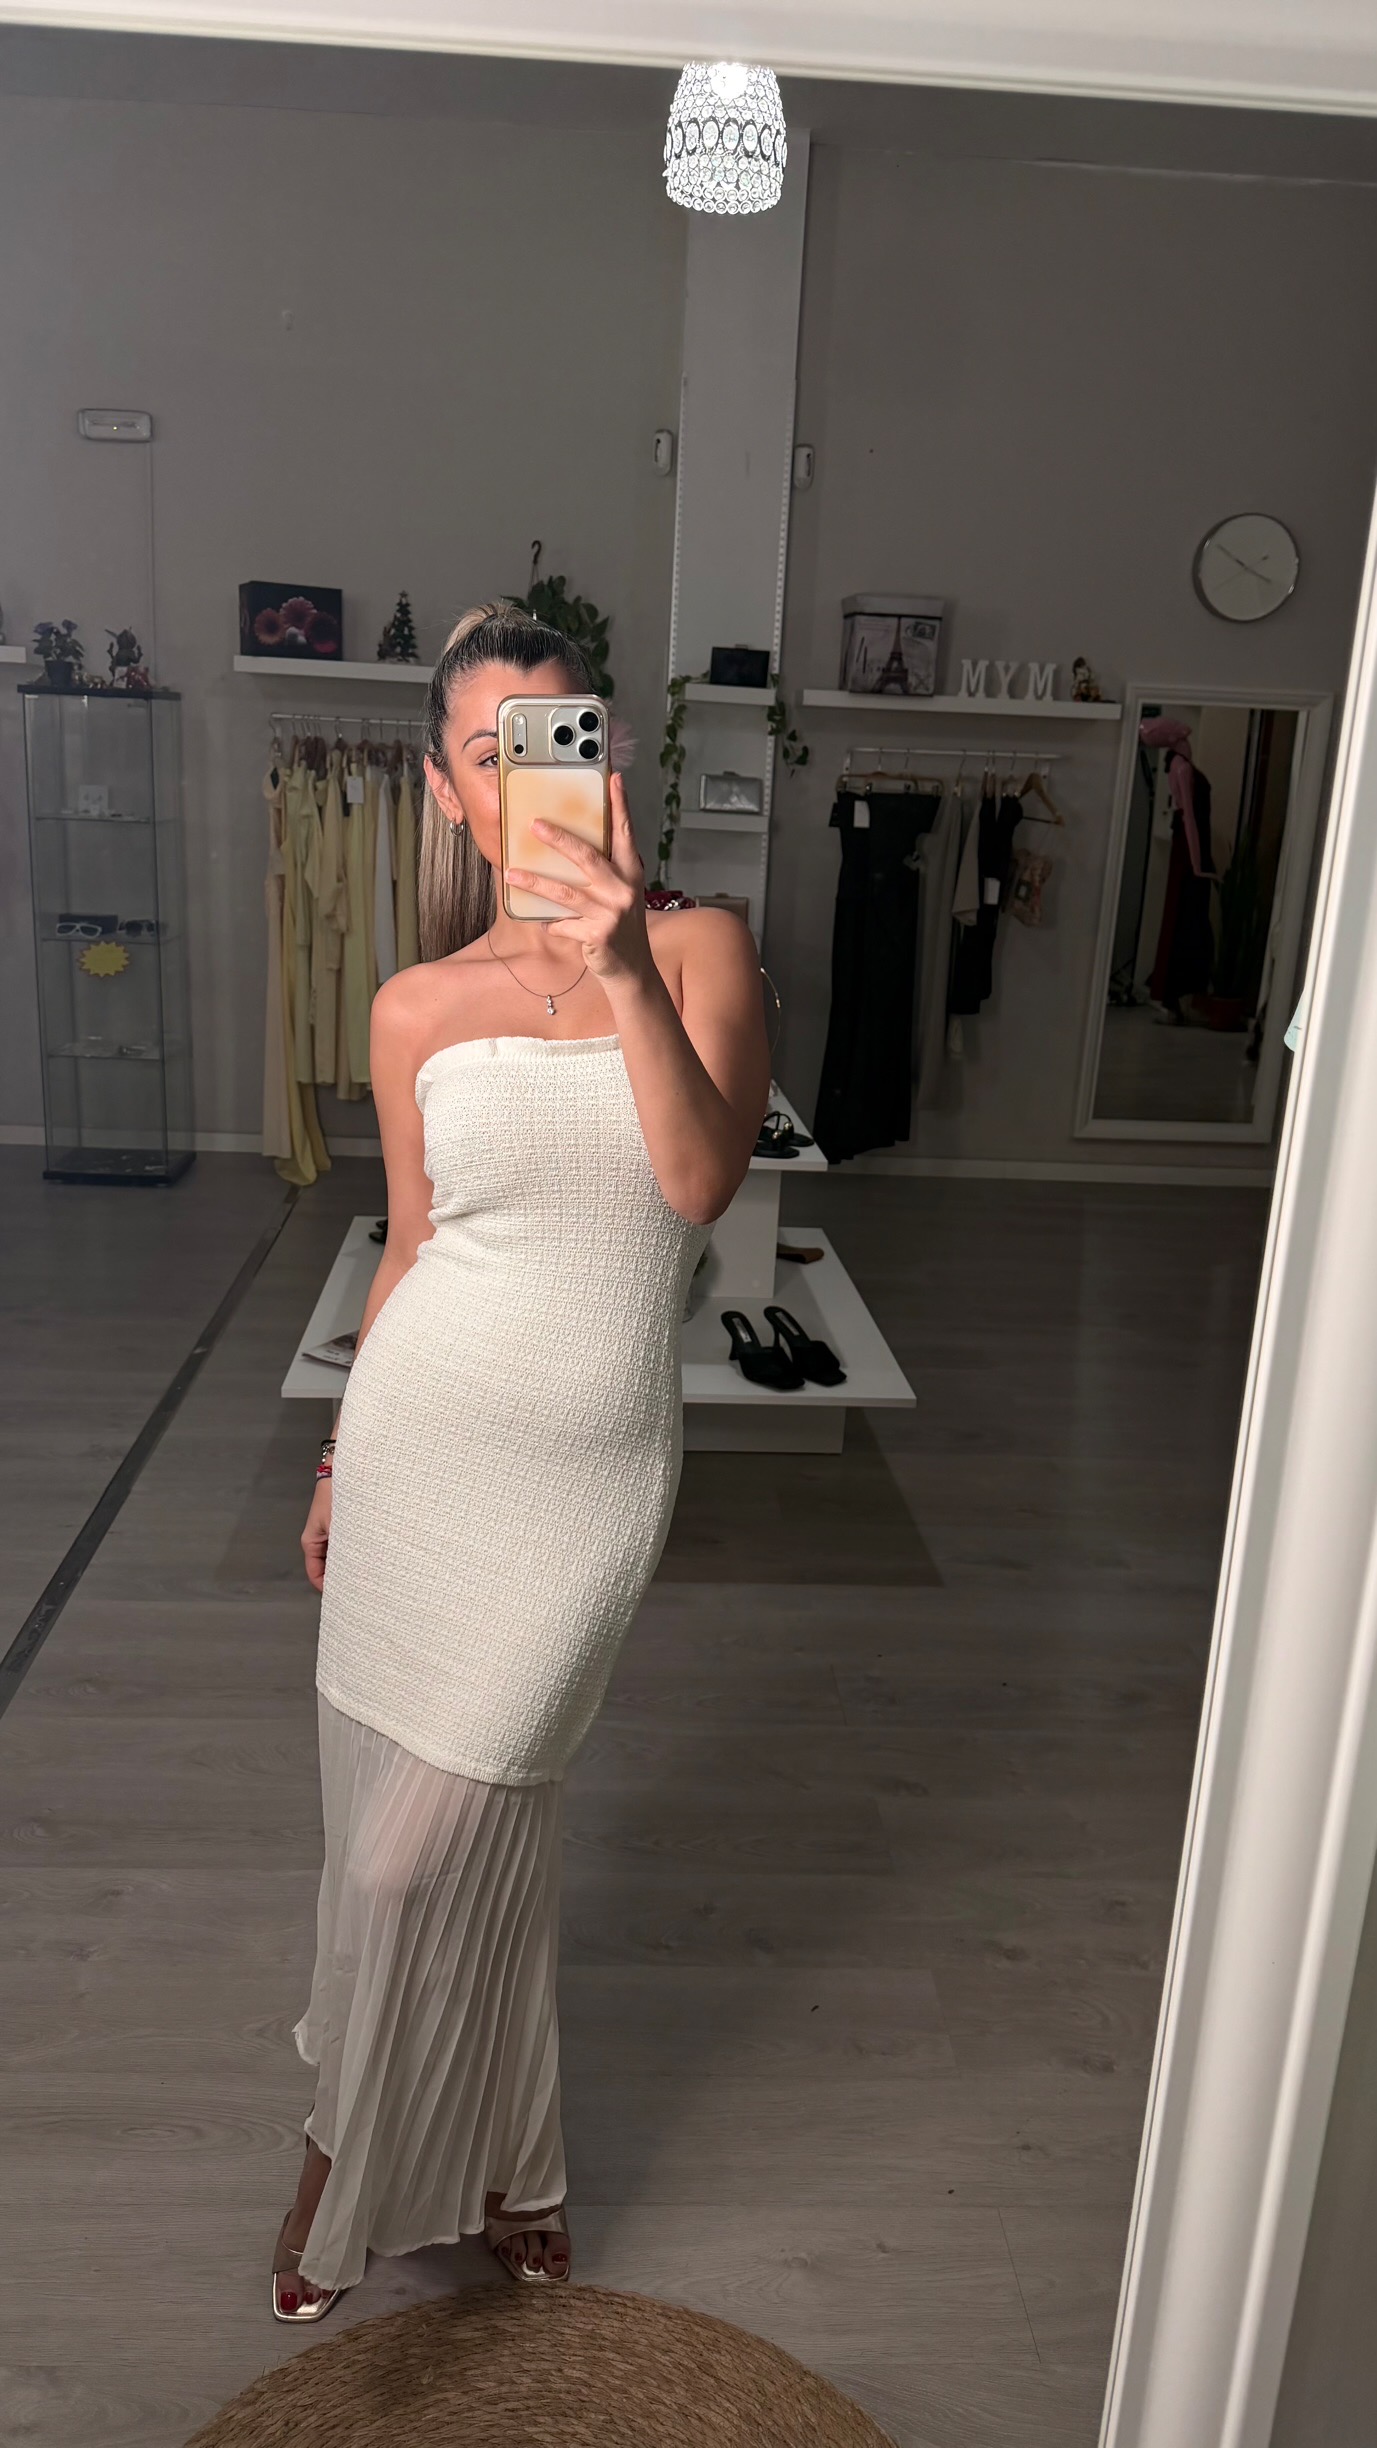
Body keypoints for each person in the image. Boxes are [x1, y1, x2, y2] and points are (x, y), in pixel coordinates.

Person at [272, 603, 770, 2320]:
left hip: (585, 1486)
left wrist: (620, 962)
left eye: (560, 739)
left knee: (423, 1857)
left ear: (605, 759)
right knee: (416, 1852)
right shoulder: (416, 1006)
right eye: (491, 752)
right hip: (418, 1452)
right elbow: (408, 1248)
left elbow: (700, 1188)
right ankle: (503, 2169)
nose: (525, 776)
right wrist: (336, 1456)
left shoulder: (700, 951)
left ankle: (347, 2150)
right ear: (444, 788)